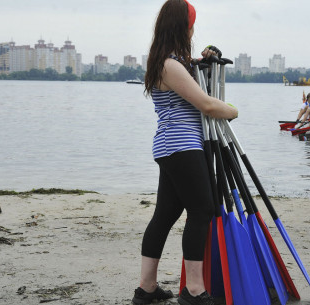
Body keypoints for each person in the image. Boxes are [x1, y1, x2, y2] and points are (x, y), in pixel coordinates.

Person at [134, 1, 238, 305]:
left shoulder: (169, 61)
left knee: (165, 214)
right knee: (202, 210)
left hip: (172, 146)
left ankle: (146, 289)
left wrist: (209, 54)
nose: (194, 28)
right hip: (181, 146)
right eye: (192, 23)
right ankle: (194, 291)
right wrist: (233, 111)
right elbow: (205, 104)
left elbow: (194, 67)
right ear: (183, 26)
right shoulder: (170, 65)